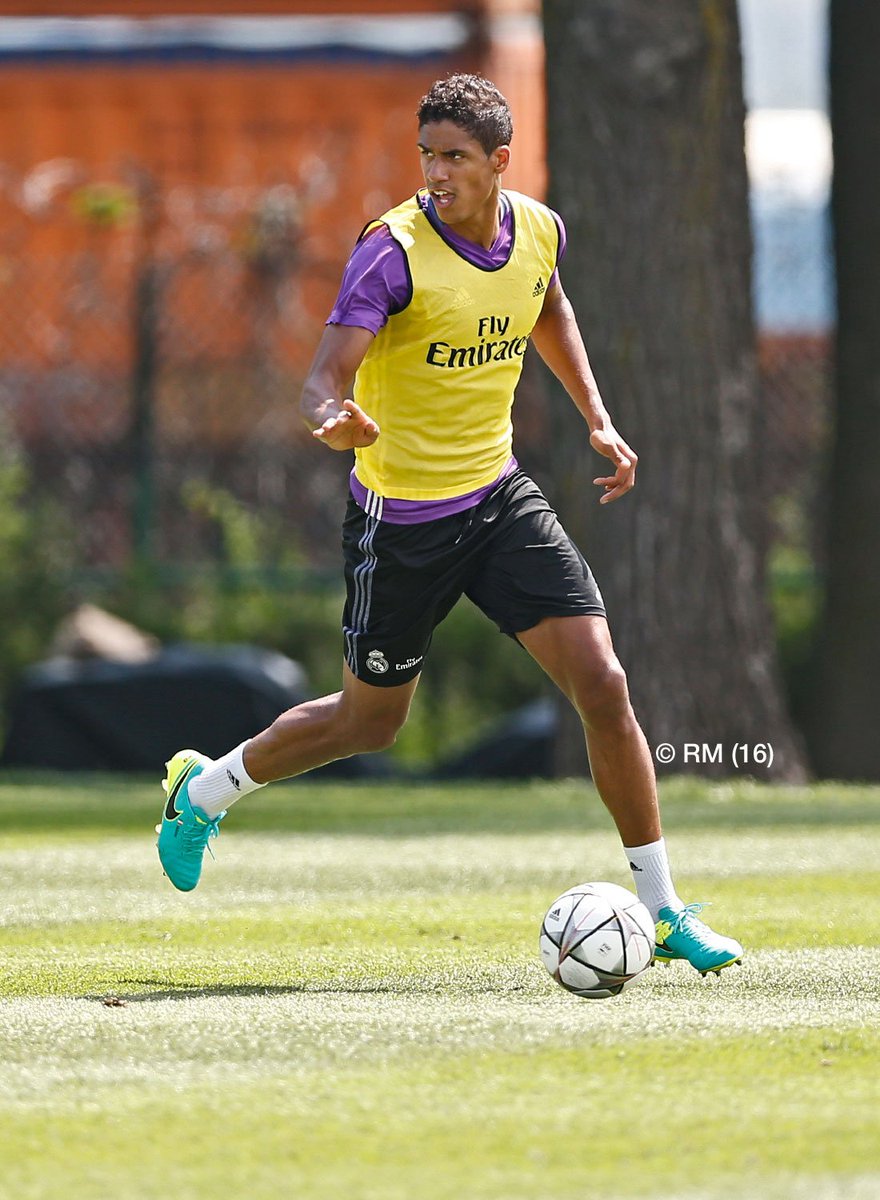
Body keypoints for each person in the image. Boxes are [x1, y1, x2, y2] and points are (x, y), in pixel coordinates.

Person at [157, 74, 742, 976]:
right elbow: (321, 380)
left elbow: (548, 304)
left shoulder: (538, 230)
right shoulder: (390, 252)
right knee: (368, 724)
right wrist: (332, 419)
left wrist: (596, 416)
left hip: (499, 500)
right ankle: (204, 790)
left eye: (455, 157)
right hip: (401, 526)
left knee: (604, 682)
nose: (436, 173)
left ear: (499, 161)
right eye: (427, 155)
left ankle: (663, 909)